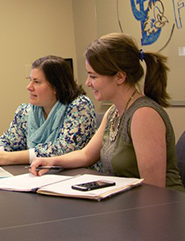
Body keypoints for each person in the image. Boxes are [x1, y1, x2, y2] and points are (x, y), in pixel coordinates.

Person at [30, 33, 185, 191]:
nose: (88, 83)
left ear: (119, 77)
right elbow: (86, 155)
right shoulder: (113, 112)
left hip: (163, 209)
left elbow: (154, 190)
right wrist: (52, 161)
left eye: (93, 76)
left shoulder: (144, 114)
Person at [0, 56, 96, 166]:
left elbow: (63, 150)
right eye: (30, 80)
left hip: (78, 178)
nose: (29, 87)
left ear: (57, 87)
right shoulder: (26, 112)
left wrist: (10, 158)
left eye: (37, 82)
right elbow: (11, 141)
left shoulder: (80, 107)